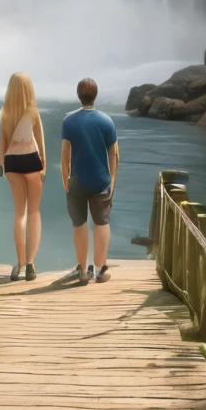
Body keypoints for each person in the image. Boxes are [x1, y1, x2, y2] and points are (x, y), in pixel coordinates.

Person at [59, 76, 118, 283]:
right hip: (101, 181)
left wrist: (65, 178)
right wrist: (113, 179)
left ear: (78, 95)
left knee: (79, 224)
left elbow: (65, 153)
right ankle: (100, 270)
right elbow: (114, 153)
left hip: (77, 181)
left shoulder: (69, 121)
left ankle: (83, 271)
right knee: (102, 223)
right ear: (96, 95)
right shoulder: (106, 121)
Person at [0, 71, 44, 281]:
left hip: (12, 163)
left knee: (19, 213)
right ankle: (32, 264)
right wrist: (43, 165)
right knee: (34, 212)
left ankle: (20, 264)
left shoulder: (4, 113)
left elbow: (2, 142)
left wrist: (1, 166)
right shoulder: (33, 111)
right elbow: (40, 140)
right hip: (31, 160)